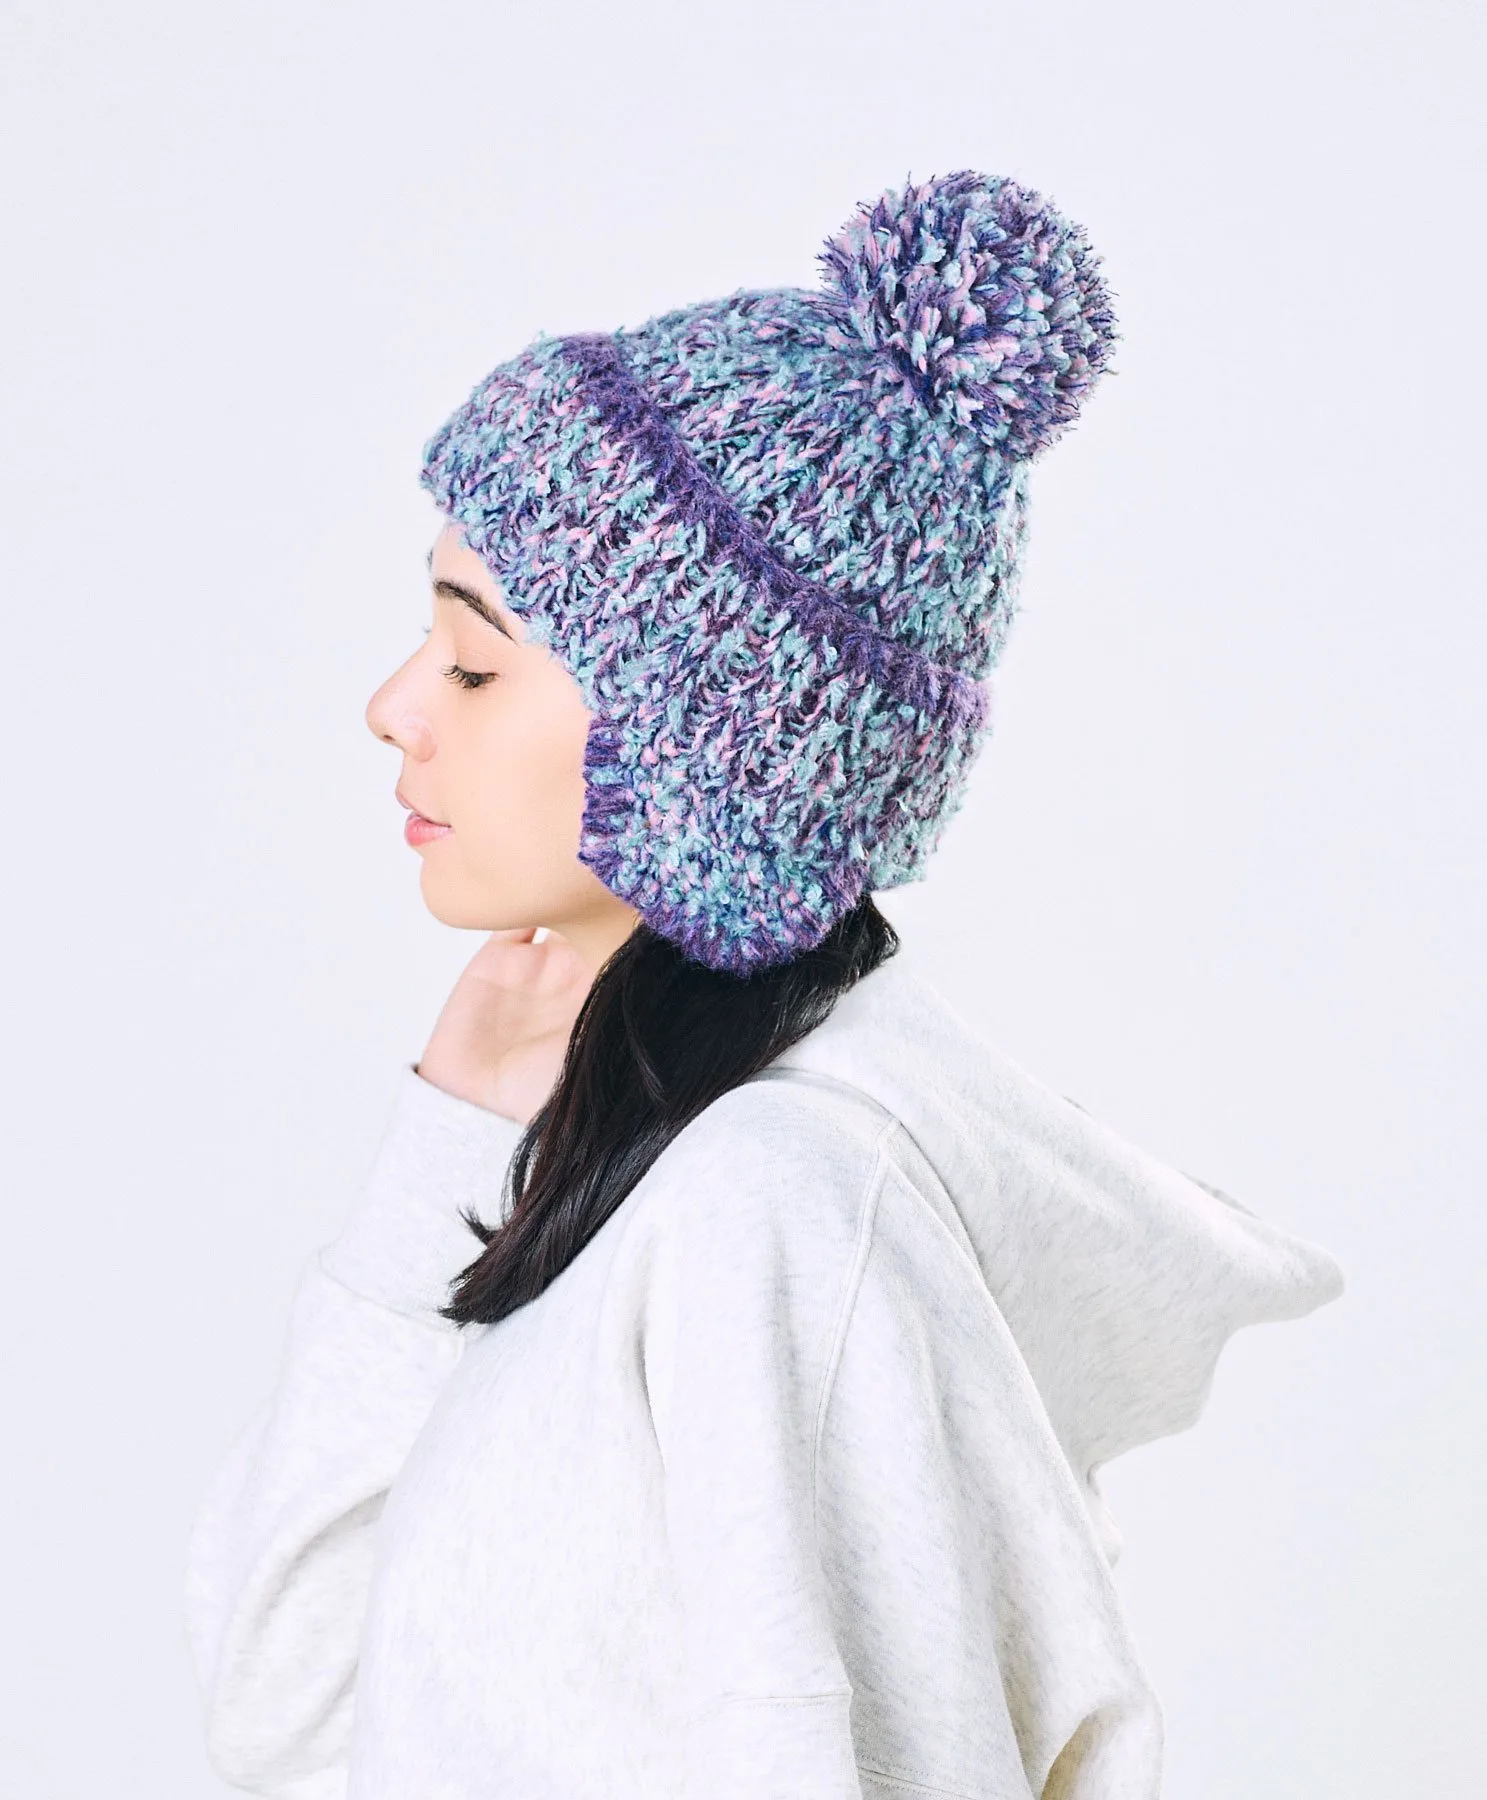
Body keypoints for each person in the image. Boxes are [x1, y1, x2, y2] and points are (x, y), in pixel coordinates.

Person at [182, 172, 1344, 1800]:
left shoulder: (771, 1211)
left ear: (700, 759)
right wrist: (439, 1165)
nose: (395, 704)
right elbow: (287, 1721)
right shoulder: (620, 1177)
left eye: (473, 658)